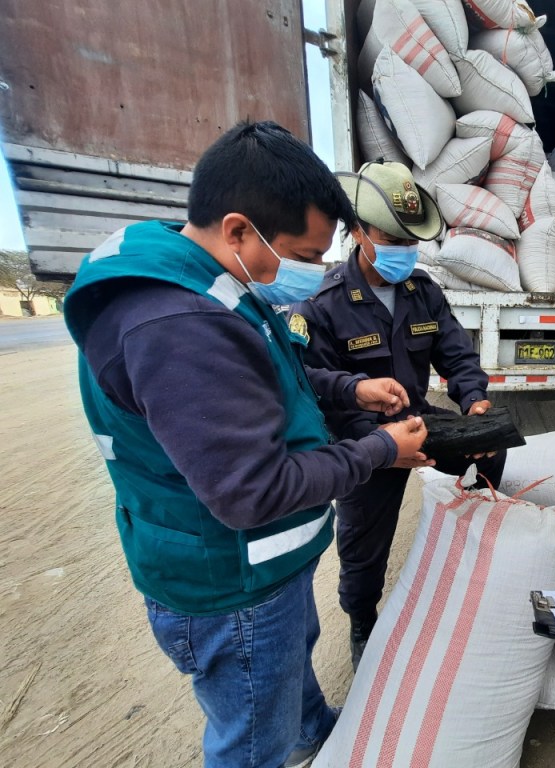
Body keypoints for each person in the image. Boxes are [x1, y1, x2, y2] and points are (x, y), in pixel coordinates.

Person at [63, 121, 430, 768]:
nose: (316, 274)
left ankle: (312, 729)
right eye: (307, 256)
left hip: (264, 573)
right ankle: (289, 738)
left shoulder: (208, 278)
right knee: (251, 738)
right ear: (238, 229)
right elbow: (252, 493)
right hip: (232, 584)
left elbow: (263, 370)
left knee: (285, 674)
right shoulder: (178, 327)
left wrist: (351, 392)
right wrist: (381, 451)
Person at [289, 160, 506, 670]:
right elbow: (305, 380)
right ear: (360, 233)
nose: (404, 251)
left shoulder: (422, 290)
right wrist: (356, 388)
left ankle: (468, 568)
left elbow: (456, 354)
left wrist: (473, 398)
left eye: (411, 240)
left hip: (419, 418)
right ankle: (362, 620)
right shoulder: (321, 303)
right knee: (363, 542)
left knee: (490, 452)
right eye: (393, 238)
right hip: (365, 439)